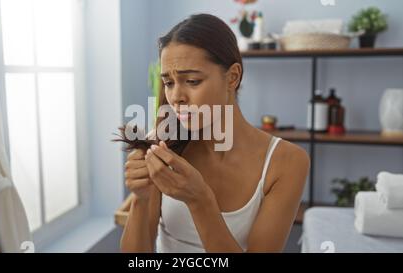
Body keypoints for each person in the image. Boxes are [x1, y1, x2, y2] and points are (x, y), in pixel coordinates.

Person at [119, 14, 309, 253]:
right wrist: (141, 198)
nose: (176, 97)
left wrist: (200, 201)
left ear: (233, 77)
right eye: (169, 83)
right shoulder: (163, 144)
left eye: (192, 81)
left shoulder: (287, 162)